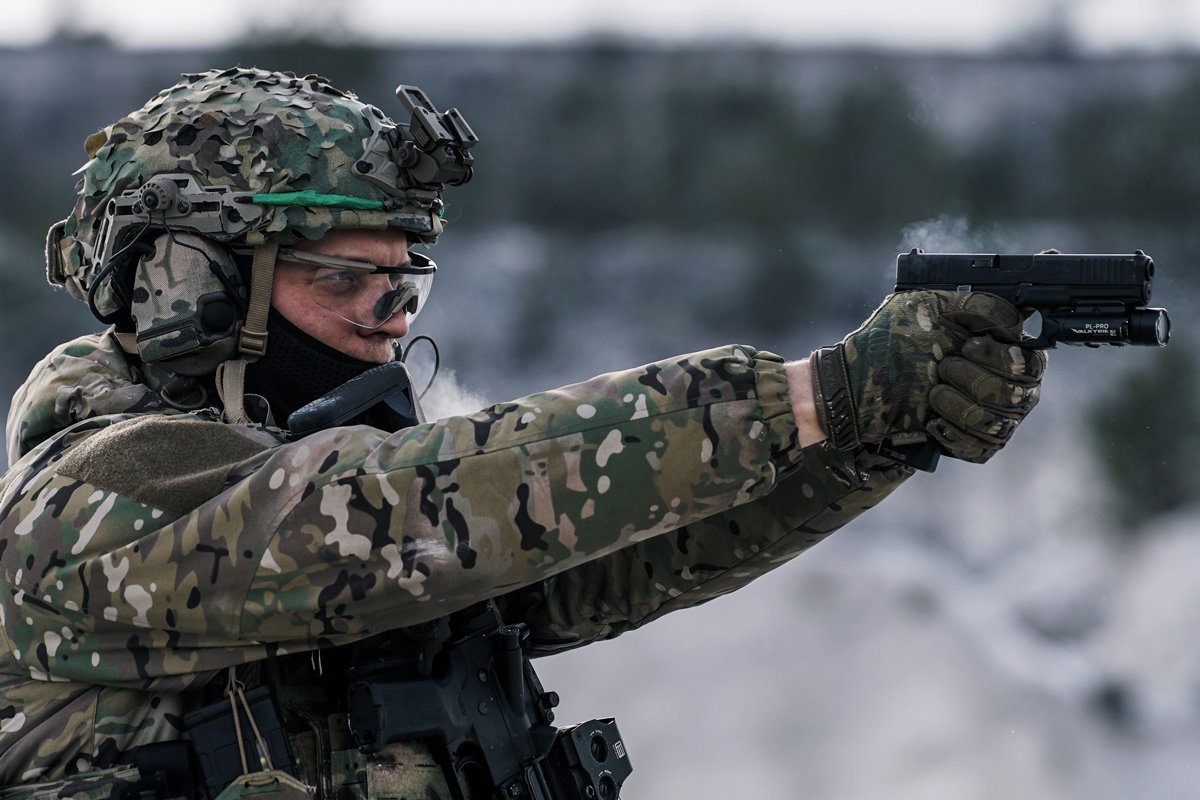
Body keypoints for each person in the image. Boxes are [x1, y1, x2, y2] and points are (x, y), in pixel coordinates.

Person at [0, 67, 1045, 798]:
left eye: (407, 282)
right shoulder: (98, 499)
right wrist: (809, 395)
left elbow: (607, 560)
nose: (391, 318)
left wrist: (866, 439)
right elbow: (404, 508)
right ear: (192, 287)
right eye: (345, 279)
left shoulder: (347, 514)